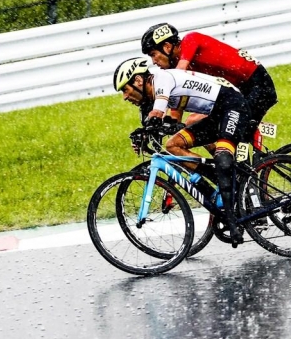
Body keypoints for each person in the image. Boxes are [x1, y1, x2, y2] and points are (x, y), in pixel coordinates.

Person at [113, 57, 250, 246]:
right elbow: (152, 123)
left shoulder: (162, 78)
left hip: (232, 104)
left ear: (138, 81)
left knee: (223, 156)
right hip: (216, 113)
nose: (125, 97)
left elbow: (158, 113)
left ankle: (234, 223)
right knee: (173, 145)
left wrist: (149, 126)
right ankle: (220, 180)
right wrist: (143, 138)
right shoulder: (147, 97)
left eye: (125, 90)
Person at [140, 23, 277, 149]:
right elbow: (177, 108)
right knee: (193, 123)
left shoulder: (190, 40)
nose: (153, 61)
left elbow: (178, 76)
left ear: (167, 47)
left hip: (259, 84)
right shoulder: (179, 66)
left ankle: (246, 166)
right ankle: (221, 167)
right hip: (241, 90)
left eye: (153, 54)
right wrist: (164, 127)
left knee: (233, 129)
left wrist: (160, 112)